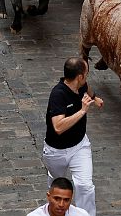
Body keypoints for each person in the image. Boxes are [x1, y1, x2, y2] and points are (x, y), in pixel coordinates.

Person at [43, 58, 104, 216]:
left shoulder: (81, 84)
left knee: (85, 186)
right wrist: (82, 111)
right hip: (56, 151)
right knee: (57, 184)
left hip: (79, 147)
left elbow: (87, 88)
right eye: (86, 74)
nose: (87, 77)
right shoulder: (58, 95)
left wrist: (95, 98)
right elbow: (58, 126)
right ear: (79, 76)